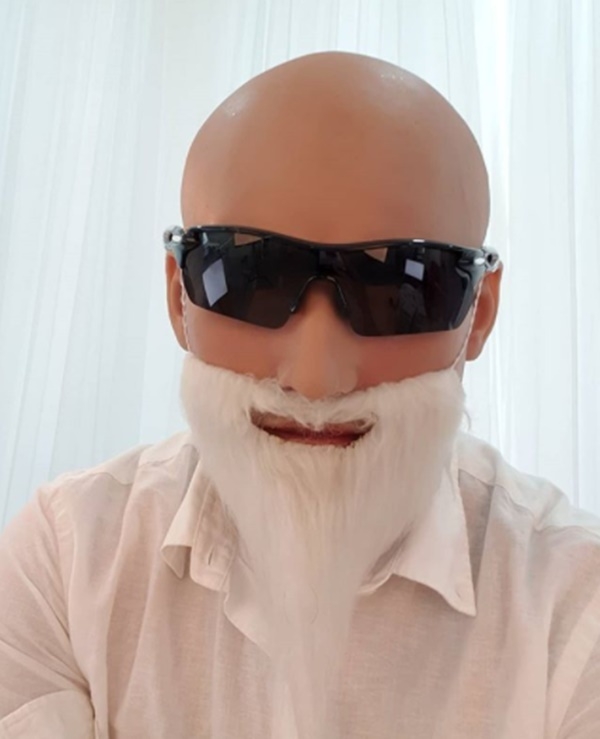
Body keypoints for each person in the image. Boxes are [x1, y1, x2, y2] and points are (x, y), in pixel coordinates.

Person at [0, 50, 599, 739]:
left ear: (479, 314)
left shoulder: (574, 606)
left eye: (401, 287)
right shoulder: (68, 560)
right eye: (247, 276)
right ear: (178, 297)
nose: (317, 378)